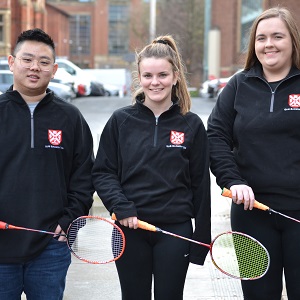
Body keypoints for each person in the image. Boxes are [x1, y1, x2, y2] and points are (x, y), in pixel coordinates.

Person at [92, 35, 211, 300]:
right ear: (139, 77)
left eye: (162, 75)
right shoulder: (121, 121)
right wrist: (120, 206)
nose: (155, 82)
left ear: (175, 76)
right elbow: (103, 172)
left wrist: (202, 239)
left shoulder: (191, 125)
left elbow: (201, 185)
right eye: (147, 75)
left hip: (174, 232)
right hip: (129, 230)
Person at [207, 6, 300, 300]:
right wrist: (233, 181)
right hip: (251, 215)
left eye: (277, 36)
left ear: (293, 41)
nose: (268, 44)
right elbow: (216, 136)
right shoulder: (238, 85)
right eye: (261, 38)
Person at [0, 28, 94, 299]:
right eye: (27, 59)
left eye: (43, 62)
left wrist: (69, 220)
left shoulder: (70, 118)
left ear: (53, 70)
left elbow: (84, 176)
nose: (34, 67)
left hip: (50, 247)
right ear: (11, 62)